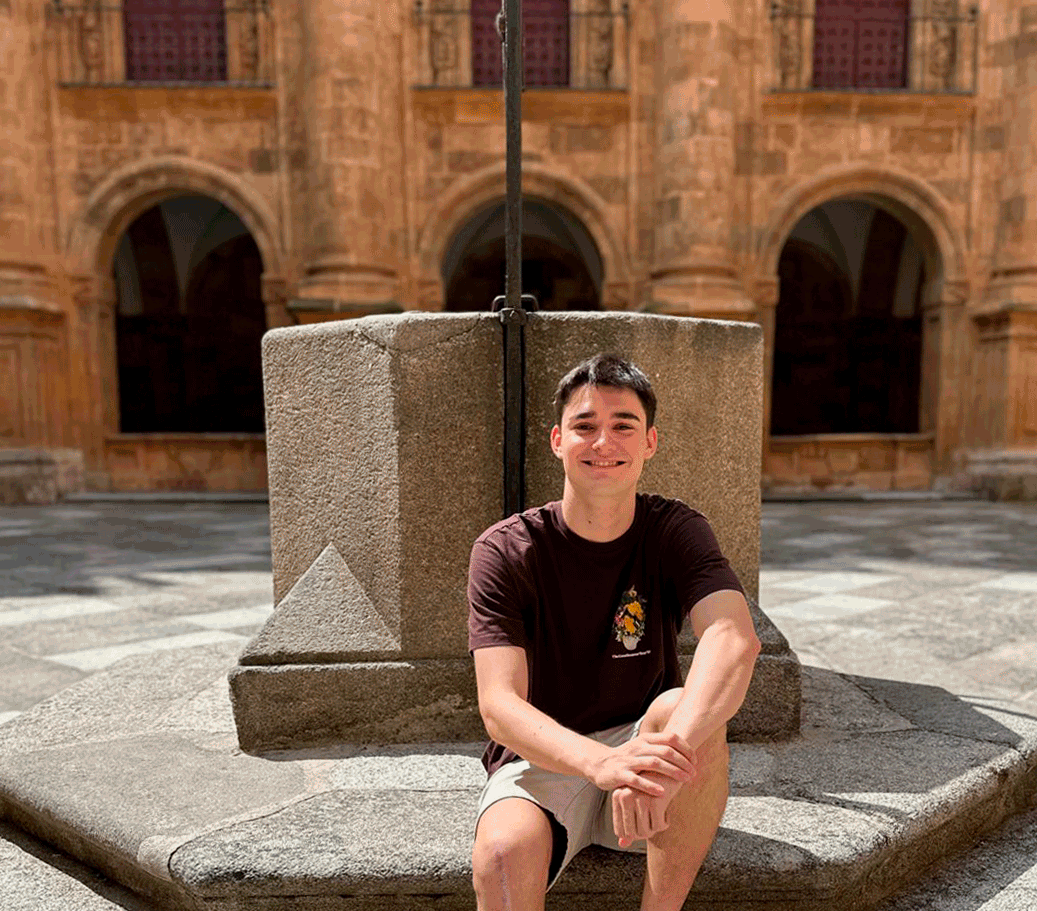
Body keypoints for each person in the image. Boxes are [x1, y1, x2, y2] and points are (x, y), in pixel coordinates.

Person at [467, 353, 761, 911]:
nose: (604, 442)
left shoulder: (676, 529)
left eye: (623, 425)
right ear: (558, 440)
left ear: (651, 442)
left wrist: (660, 756)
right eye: (585, 426)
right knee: (503, 855)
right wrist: (600, 763)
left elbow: (733, 638)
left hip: (647, 754)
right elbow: (499, 706)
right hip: (546, 755)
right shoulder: (505, 550)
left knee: (681, 711)